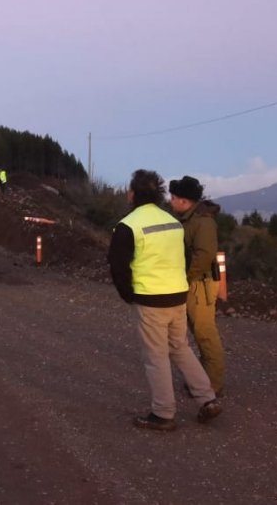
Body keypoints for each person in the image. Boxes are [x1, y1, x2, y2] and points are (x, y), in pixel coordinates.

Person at [108, 169, 222, 431]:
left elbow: (118, 267)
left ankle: (163, 413)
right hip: (178, 295)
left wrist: (128, 295)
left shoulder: (128, 225)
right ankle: (207, 398)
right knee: (180, 348)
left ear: (133, 194)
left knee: (156, 357)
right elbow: (185, 258)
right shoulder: (173, 222)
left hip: (151, 299)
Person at [169, 175, 226, 396]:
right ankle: (203, 379)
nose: (171, 201)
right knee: (199, 332)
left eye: (174, 198)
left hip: (200, 283)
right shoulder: (190, 219)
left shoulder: (202, 222)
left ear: (184, 201)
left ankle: (212, 385)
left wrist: (185, 278)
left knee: (205, 333)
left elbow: (204, 255)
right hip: (194, 282)